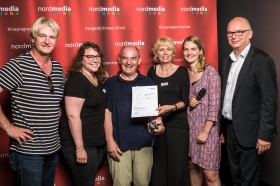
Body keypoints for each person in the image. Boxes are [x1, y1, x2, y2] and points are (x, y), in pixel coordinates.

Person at [0, 17, 64, 186]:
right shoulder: (17, 66)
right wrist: (9, 128)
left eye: (51, 37)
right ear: (32, 38)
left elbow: (54, 102)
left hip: (52, 150)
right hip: (28, 153)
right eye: (42, 35)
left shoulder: (57, 68)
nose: (47, 41)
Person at [220, 17, 277, 186]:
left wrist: (265, 136)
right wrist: (223, 128)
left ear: (250, 34)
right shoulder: (226, 61)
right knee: (234, 177)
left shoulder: (262, 60)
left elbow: (269, 100)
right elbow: (227, 96)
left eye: (239, 32)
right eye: (230, 32)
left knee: (249, 181)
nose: (234, 36)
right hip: (230, 131)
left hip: (252, 134)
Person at [104, 45, 164, 186]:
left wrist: (158, 125)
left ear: (139, 61)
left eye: (133, 58)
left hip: (143, 144)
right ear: (119, 60)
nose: (128, 62)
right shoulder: (110, 84)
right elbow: (107, 114)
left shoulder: (147, 82)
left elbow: (152, 115)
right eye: (125, 58)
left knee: (142, 183)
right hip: (118, 145)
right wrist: (109, 141)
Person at [59, 42, 107, 186]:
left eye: (97, 56)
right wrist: (79, 149)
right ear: (81, 59)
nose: (94, 59)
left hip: (96, 143)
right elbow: (72, 116)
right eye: (90, 56)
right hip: (81, 145)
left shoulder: (95, 80)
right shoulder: (76, 80)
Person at [147, 37, 190, 186]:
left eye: (168, 49)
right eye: (161, 49)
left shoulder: (182, 72)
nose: (165, 52)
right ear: (156, 53)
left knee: (177, 167)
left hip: (178, 125)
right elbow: (148, 97)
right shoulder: (152, 71)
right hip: (158, 124)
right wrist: (156, 118)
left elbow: (185, 101)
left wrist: (170, 107)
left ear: (173, 53)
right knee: (158, 166)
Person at [183, 36, 221, 186]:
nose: (189, 52)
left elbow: (214, 106)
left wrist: (206, 131)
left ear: (200, 51)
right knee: (192, 167)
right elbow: (180, 96)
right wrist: (188, 98)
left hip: (207, 130)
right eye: (186, 49)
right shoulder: (184, 74)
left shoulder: (210, 73)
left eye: (193, 49)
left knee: (210, 174)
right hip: (189, 129)